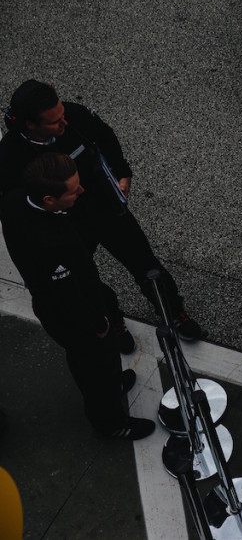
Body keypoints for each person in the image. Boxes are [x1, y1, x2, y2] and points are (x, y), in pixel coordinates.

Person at [0, 79, 203, 351]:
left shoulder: (73, 115)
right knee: (88, 282)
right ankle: (112, 322)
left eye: (63, 114)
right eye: (55, 122)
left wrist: (122, 172)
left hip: (104, 206)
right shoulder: (11, 156)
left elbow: (104, 134)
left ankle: (172, 310)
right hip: (66, 226)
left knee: (145, 262)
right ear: (30, 125)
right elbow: (15, 208)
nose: (65, 123)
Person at [1, 153, 155, 439]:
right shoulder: (50, 243)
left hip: (58, 302)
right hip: (74, 319)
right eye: (74, 190)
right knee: (94, 368)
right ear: (49, 200)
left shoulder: (14, 201)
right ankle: (110, 423)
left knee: (99, 366)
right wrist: (99, 325)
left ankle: (112, 385)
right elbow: (69, 298)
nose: (81, 191)